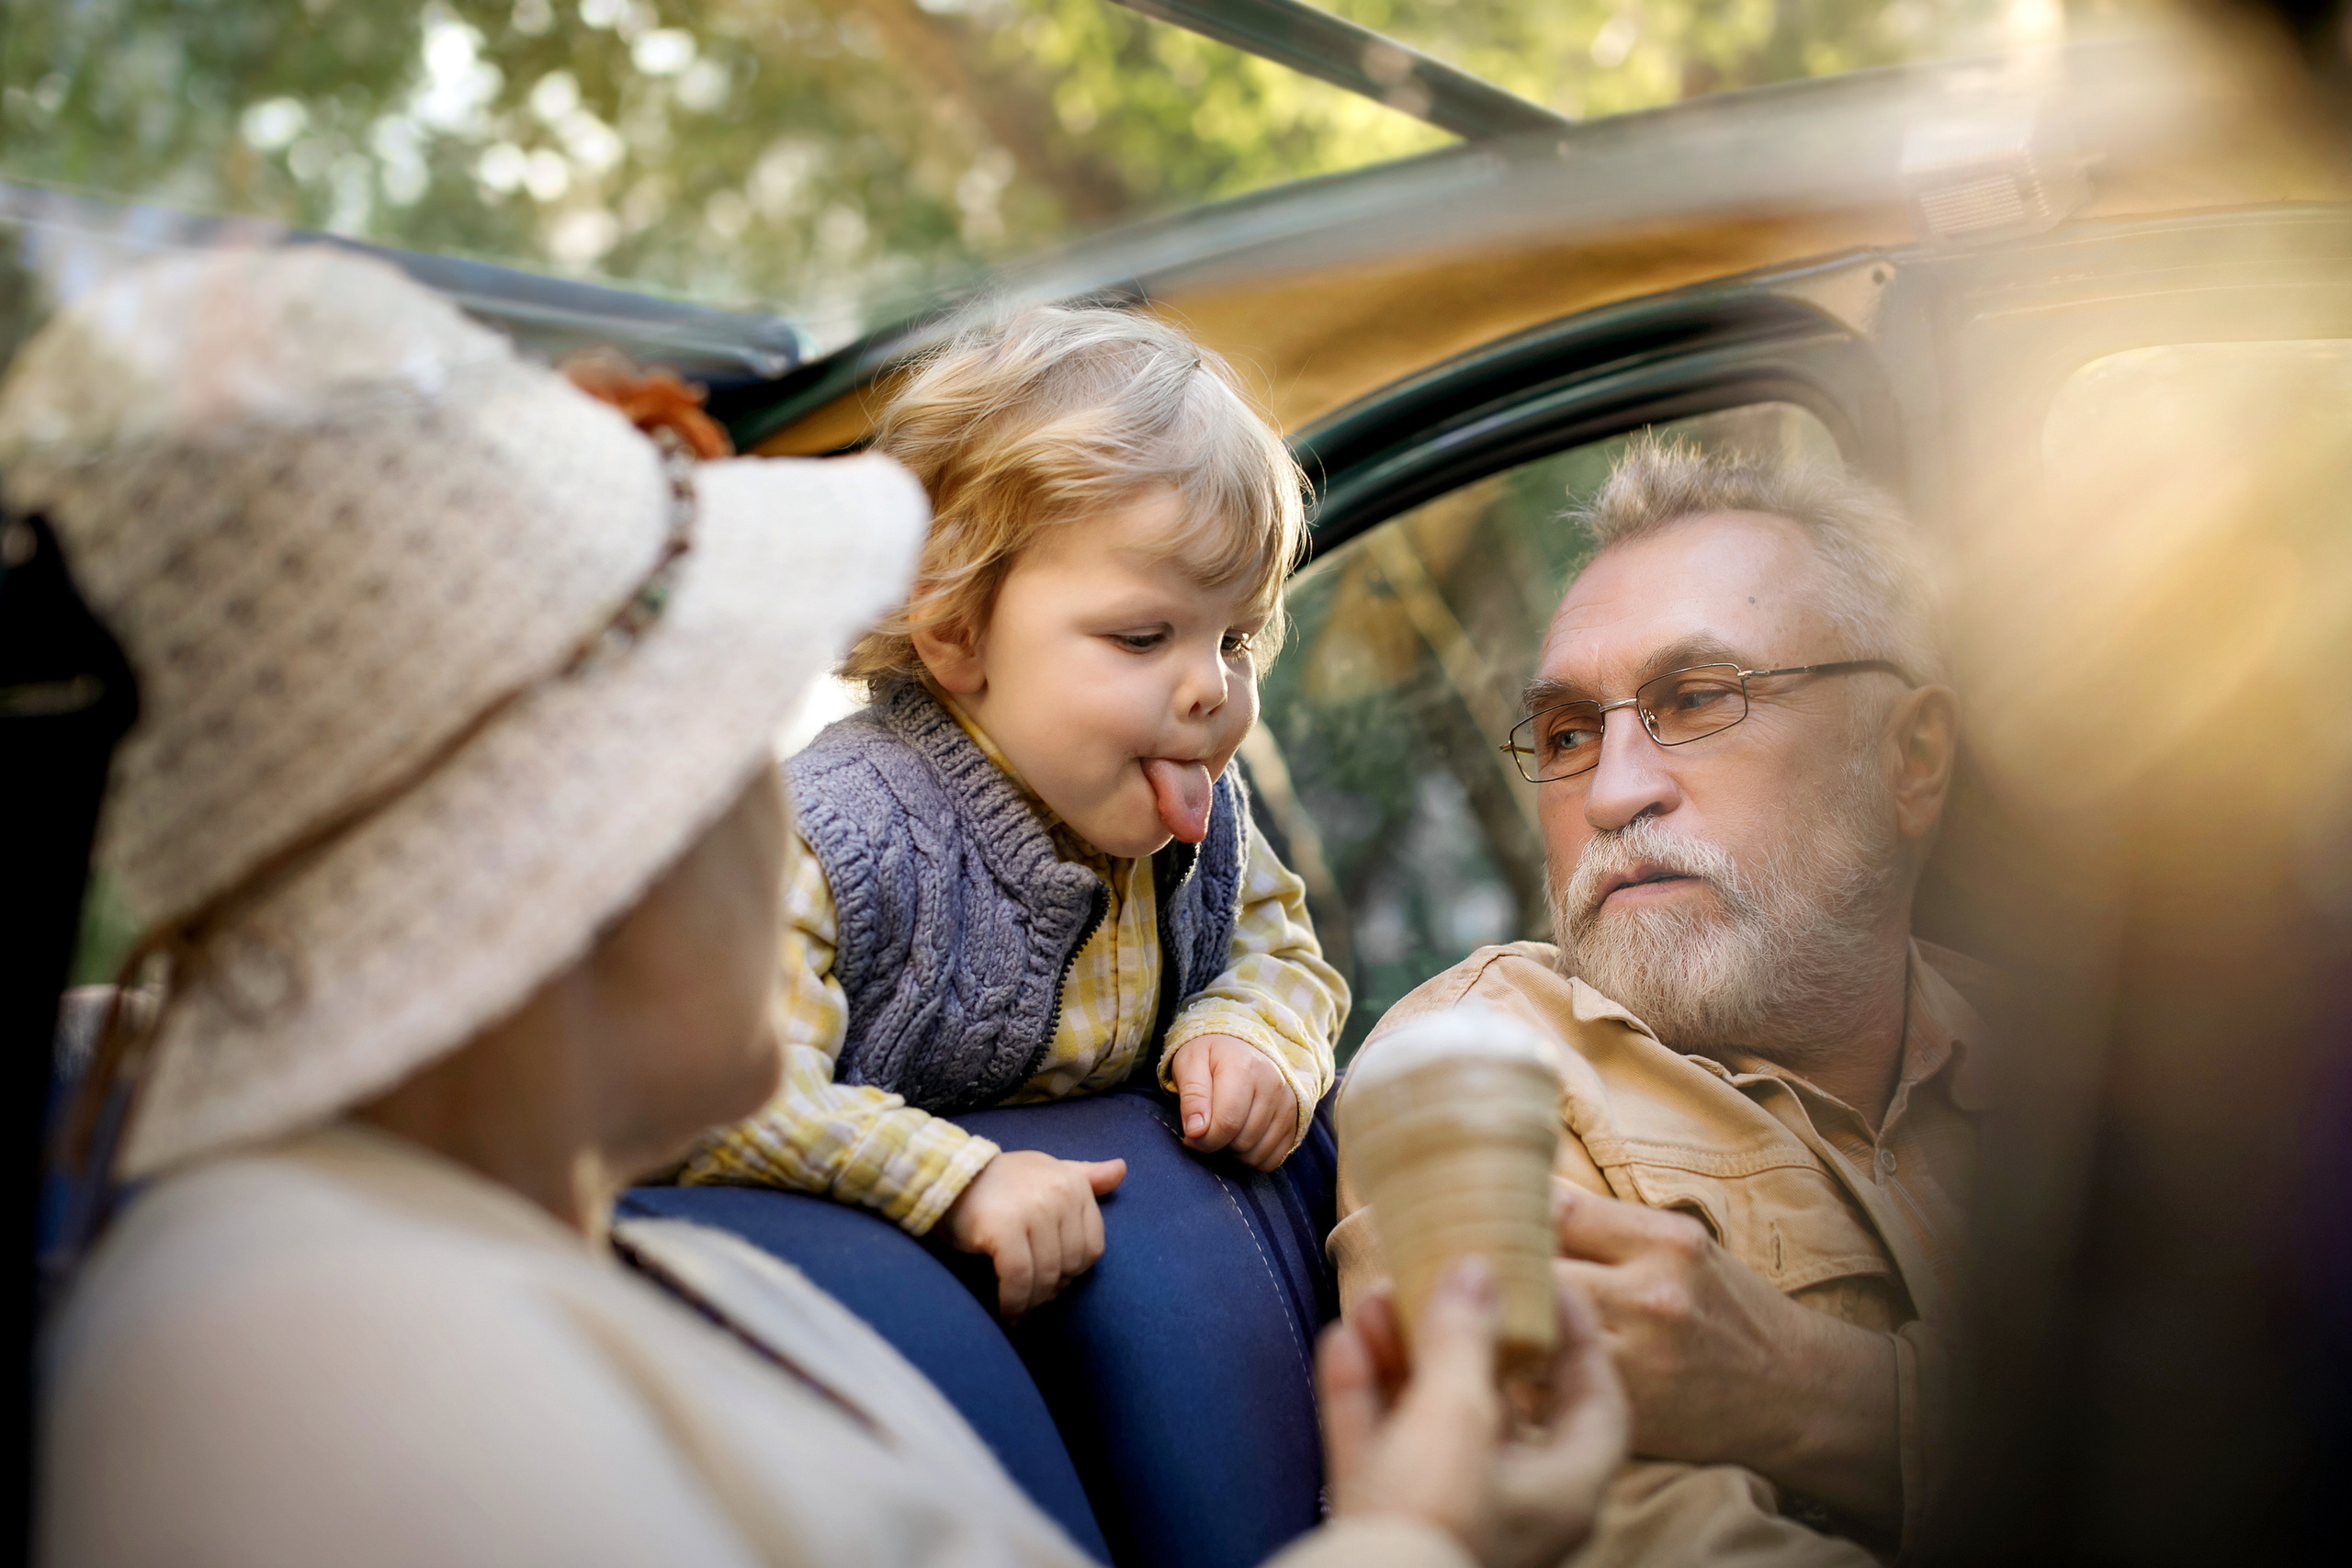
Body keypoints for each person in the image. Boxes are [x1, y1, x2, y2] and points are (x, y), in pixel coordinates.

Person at [25, 247, 1628, 1568]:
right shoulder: (315, 1366)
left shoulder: (502, 1265)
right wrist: (1428, 1536)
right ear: (585, 837)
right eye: (738, 718)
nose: (792, 778)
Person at [1331, 436, 1987, 1565]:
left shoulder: (2083, 1056)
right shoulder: (1485, 1064)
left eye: (1696, 698)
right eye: (1569, 734)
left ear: (1911, 759)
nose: (1615, 792)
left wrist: (1826, 1395)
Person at [678, 307, 1348, 1319]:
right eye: (1141, 637)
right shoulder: (834, 836)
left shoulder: (1204, 817)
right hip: (891, 1325)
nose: (1211, 688)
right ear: (956, 632)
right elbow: (719, 1087)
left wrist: (1253, 1033)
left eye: (1237, 640)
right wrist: (953, 1180)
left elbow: (1284, 955)